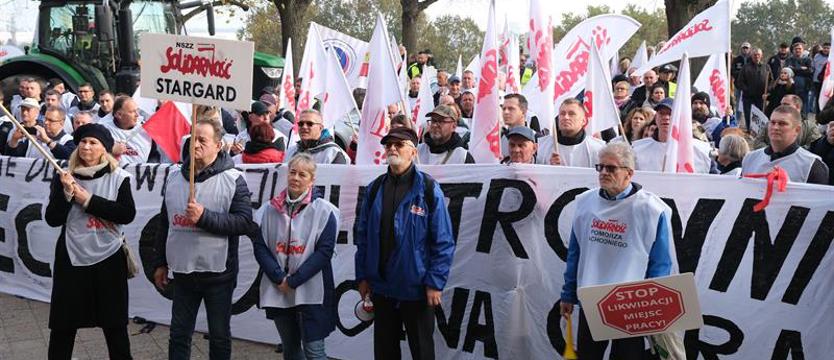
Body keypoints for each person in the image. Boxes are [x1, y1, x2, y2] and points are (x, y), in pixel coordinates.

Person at [152, 117, 253, 359]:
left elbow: (243, 222)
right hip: (183, 272)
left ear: (219, 145)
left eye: (202, 140)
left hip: (218, 274)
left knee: (218, 336)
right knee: (179, 334)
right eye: (192, 139)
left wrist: (204, 217)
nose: (195, 145)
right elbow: (165, 222)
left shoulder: (233, 179)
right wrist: (159, 263)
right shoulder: (175, 177)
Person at [560, 142, 673, 360]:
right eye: (600, 167)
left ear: (629, 173)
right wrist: (568, 293)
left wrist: (652, 308)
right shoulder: (585, 203)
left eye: (610, 168)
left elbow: (660, 265)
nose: (603, 172)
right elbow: (575, 253)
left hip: (631, 306)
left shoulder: (651, 209)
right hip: (592, 301)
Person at [354, 126, 455, 360]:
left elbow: (443, 241)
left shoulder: (429, 189)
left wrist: (435, 282)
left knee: (422, 351)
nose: (392, 148)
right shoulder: (375, 188)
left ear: (413, 151)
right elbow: (363, 237)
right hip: (381, 287)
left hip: (416, 289)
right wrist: (363, 276)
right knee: (385, 352)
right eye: (388, 144)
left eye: (398, 144)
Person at [44, 123, 136, 359]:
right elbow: (53, 219)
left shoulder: (120, 178)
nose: (86, 146)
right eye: (83, 142)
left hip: (109, 257)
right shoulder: (64, 176)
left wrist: (88, 200)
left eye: (93, 142)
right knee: (63, 326)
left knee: (114, 325)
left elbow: (126, 214)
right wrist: (66, 194)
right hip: (72, 257)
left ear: (104, 149)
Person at [251, 153, 339, 360]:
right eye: (292, 172)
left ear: (312, 179)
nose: (296, 178)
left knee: (315, 352)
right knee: (290, 349)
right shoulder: (268, 209)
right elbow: (260, 246)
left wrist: (294, 281)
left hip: (312, 291)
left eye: (303, 174)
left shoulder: (325, 211)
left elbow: (324, 252)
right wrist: (279, 278)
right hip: (279, 288)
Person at [741, 105, 828, 184]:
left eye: (782, 124)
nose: (775, 127)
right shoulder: (750, 159)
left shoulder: (812, 165)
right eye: (772, 122)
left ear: (797, 130)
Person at [631, 98, 713, 173]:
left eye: (670, 113)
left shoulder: (701, 150)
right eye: (661, 113)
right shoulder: (638, 149)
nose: (666, 117)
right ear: (656, 118)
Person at [536, 99, 605, 168]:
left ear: (583, 121)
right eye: (562, 114)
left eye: (571, 114)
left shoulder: (597, 149)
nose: (566, 117)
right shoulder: (542, 146)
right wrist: (549, 168)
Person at [102, 95, 158, 164]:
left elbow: (154, 156)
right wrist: (110, 151)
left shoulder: (145, 130)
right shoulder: (103, 130)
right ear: (119, 114)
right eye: (132, 112)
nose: (137, 115)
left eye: (137, 110)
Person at [284, 110, 349, 164]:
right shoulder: (291, 151)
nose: (304, 127)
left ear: (320, 128)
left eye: (310, 124)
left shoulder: (333, 153)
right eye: (301, 124)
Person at [755, 94, 821, 148]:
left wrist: (790, 154)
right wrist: (772, 152)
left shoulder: (810, 127)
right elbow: (758, 141)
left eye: (786, 104)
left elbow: (814, 147)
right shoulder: (772, 122)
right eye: (781, 104)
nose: (782, 107)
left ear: (797, 107)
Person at [737, 48, 772, 130]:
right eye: (755, 55)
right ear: (751, 56)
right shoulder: (746, 67)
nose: (756, 56)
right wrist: (747, 90)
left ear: (761, 56)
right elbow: (740, 82)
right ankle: (749, 130)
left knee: (760, 115)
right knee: (748, 115)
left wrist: (768, 91)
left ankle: (760, 132)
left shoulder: (766, 67)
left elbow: (771, 80)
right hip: (748, 97)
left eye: (758, 55)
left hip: (761, 97)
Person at [786, 40, 814, 116]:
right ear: (793, 50)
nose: (798, 50)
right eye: (796, 49)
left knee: (803, 108)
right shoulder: (789, 59)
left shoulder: (808, 59)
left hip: (804, 88)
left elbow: (810, 71)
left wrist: (795, 69)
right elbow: (788, 71)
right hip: (792, 88)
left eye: (799, 48)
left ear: (803, 49)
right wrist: (802, 68)